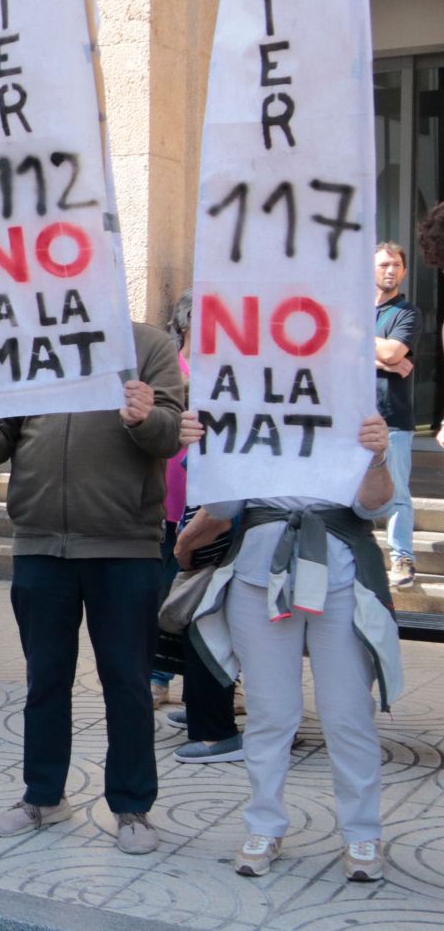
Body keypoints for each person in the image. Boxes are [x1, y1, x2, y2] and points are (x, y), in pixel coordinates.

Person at [0, 319, 185, 855]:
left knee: (127, 683)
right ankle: (43, 796)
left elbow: (171, 433)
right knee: (45, 680)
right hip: (39, 544)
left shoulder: (148, 345)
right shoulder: (33, 344)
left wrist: (145, 417)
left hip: (123, 547)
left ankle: (131, 806)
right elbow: (1, 438)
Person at [180, 410, 402, 882]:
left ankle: (362, 832)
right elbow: (223, 508)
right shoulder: (245, 407)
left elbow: (375, 507)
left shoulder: (355, 406)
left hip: (341, 579)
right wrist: (206, 447)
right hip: (257, 579)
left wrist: (377, 455)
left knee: (348, 713)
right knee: (270, 712)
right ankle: (264, 825)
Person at [148, 292, 244, 763]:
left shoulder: (231, 379)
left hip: (213, 521)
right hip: (176, 507)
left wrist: (190, 540)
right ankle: (189, 697)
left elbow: (224, 497)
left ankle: (214, 718)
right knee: (179, 605)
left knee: (201, 607)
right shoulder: (175, 369)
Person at [373, 242, 419, 589]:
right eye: (384, 264)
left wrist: (356, 342)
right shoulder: (353, 310)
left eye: (397, 265)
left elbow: (393, 352)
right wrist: (380, 360)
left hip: (393, 418)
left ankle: (402, 558)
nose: (391, 270)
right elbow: (332, 351)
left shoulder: (407, 313)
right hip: (351, 419)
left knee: (398, 492)